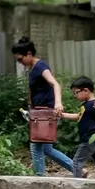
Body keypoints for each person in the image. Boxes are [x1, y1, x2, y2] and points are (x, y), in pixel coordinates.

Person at [11, 37, 76, 176]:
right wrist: (30, 107)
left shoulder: (41, 66)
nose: (20, 63)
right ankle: (78, 169)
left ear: (29, 53)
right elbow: (34, 89)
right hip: (38, 112)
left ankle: (39, 178)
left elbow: (55, 84)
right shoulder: (32, 69)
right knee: (46, 148)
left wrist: (58, 103)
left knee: (35, 146)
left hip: (45, 113)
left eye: (20, 59)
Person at [62, 76, 95, 180]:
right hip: (93, 139)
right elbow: (78, 116)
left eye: (76, 92)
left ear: (86, 90)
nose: (75, 95)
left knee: (77, 162)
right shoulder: (86, 105)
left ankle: (76, 184)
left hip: (89, 139)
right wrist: (63, 115)